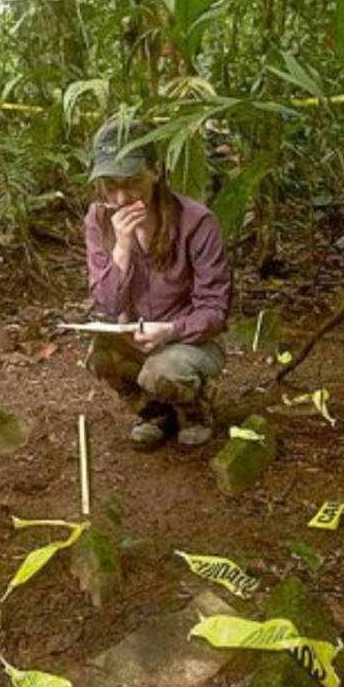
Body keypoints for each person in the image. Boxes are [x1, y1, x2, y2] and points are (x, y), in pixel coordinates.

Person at [83, 117, 232, 449]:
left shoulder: (196, 221)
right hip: (134, 336)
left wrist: (168, 331)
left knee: (162, 371)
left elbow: (215, 311)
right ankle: (153, 413)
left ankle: (194, 410)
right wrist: (121, 247)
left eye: (132, 182)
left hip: (193, 341)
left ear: (155, 170)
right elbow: (107, 304)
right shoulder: (98, 218)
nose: (121, 197)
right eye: (110, 185)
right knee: (100, 356)